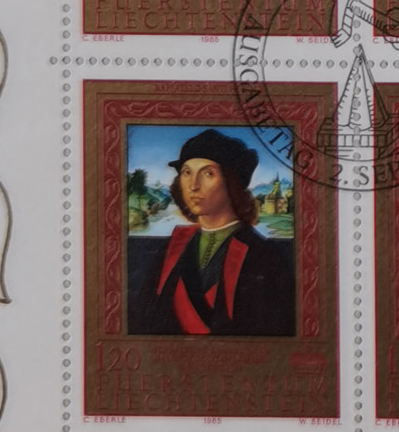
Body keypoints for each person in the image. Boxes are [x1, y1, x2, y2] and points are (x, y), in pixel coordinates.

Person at [126, 127, 295, 336]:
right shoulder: (172, 249)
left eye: (208, 173)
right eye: (187, 173)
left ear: (231, 183)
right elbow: (145, 320)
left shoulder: (264, 257)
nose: (193, 185)